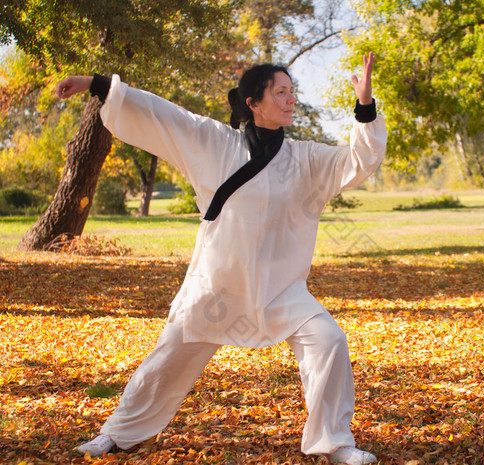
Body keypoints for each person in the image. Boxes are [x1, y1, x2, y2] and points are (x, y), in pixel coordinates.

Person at [55, 52, 386, 465]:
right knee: (168, 359)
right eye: (281, 92)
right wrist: (96, 84)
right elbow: (164, 115)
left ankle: (333, 443)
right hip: (218, 286)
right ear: (253, 102)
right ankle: (117, 434)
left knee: (328, 340)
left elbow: (359, 159)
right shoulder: (213, 142)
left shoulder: (305, 159)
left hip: (281, 290)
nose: (290, 100)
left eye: (292, 92)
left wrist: (365, 106)